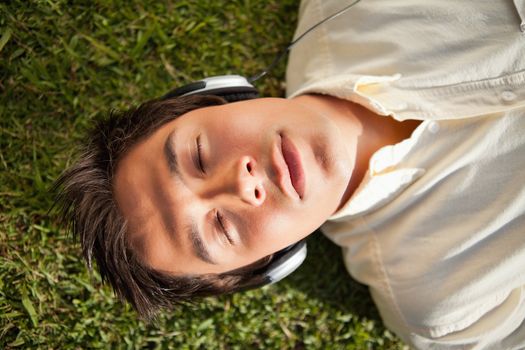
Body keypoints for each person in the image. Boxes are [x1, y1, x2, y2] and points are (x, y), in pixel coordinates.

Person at [53, 0, 525, 348]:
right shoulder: (451, 309)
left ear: (214, 96)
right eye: (220, 227)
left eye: (198, 156)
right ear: (266, 265)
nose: (242, 183)